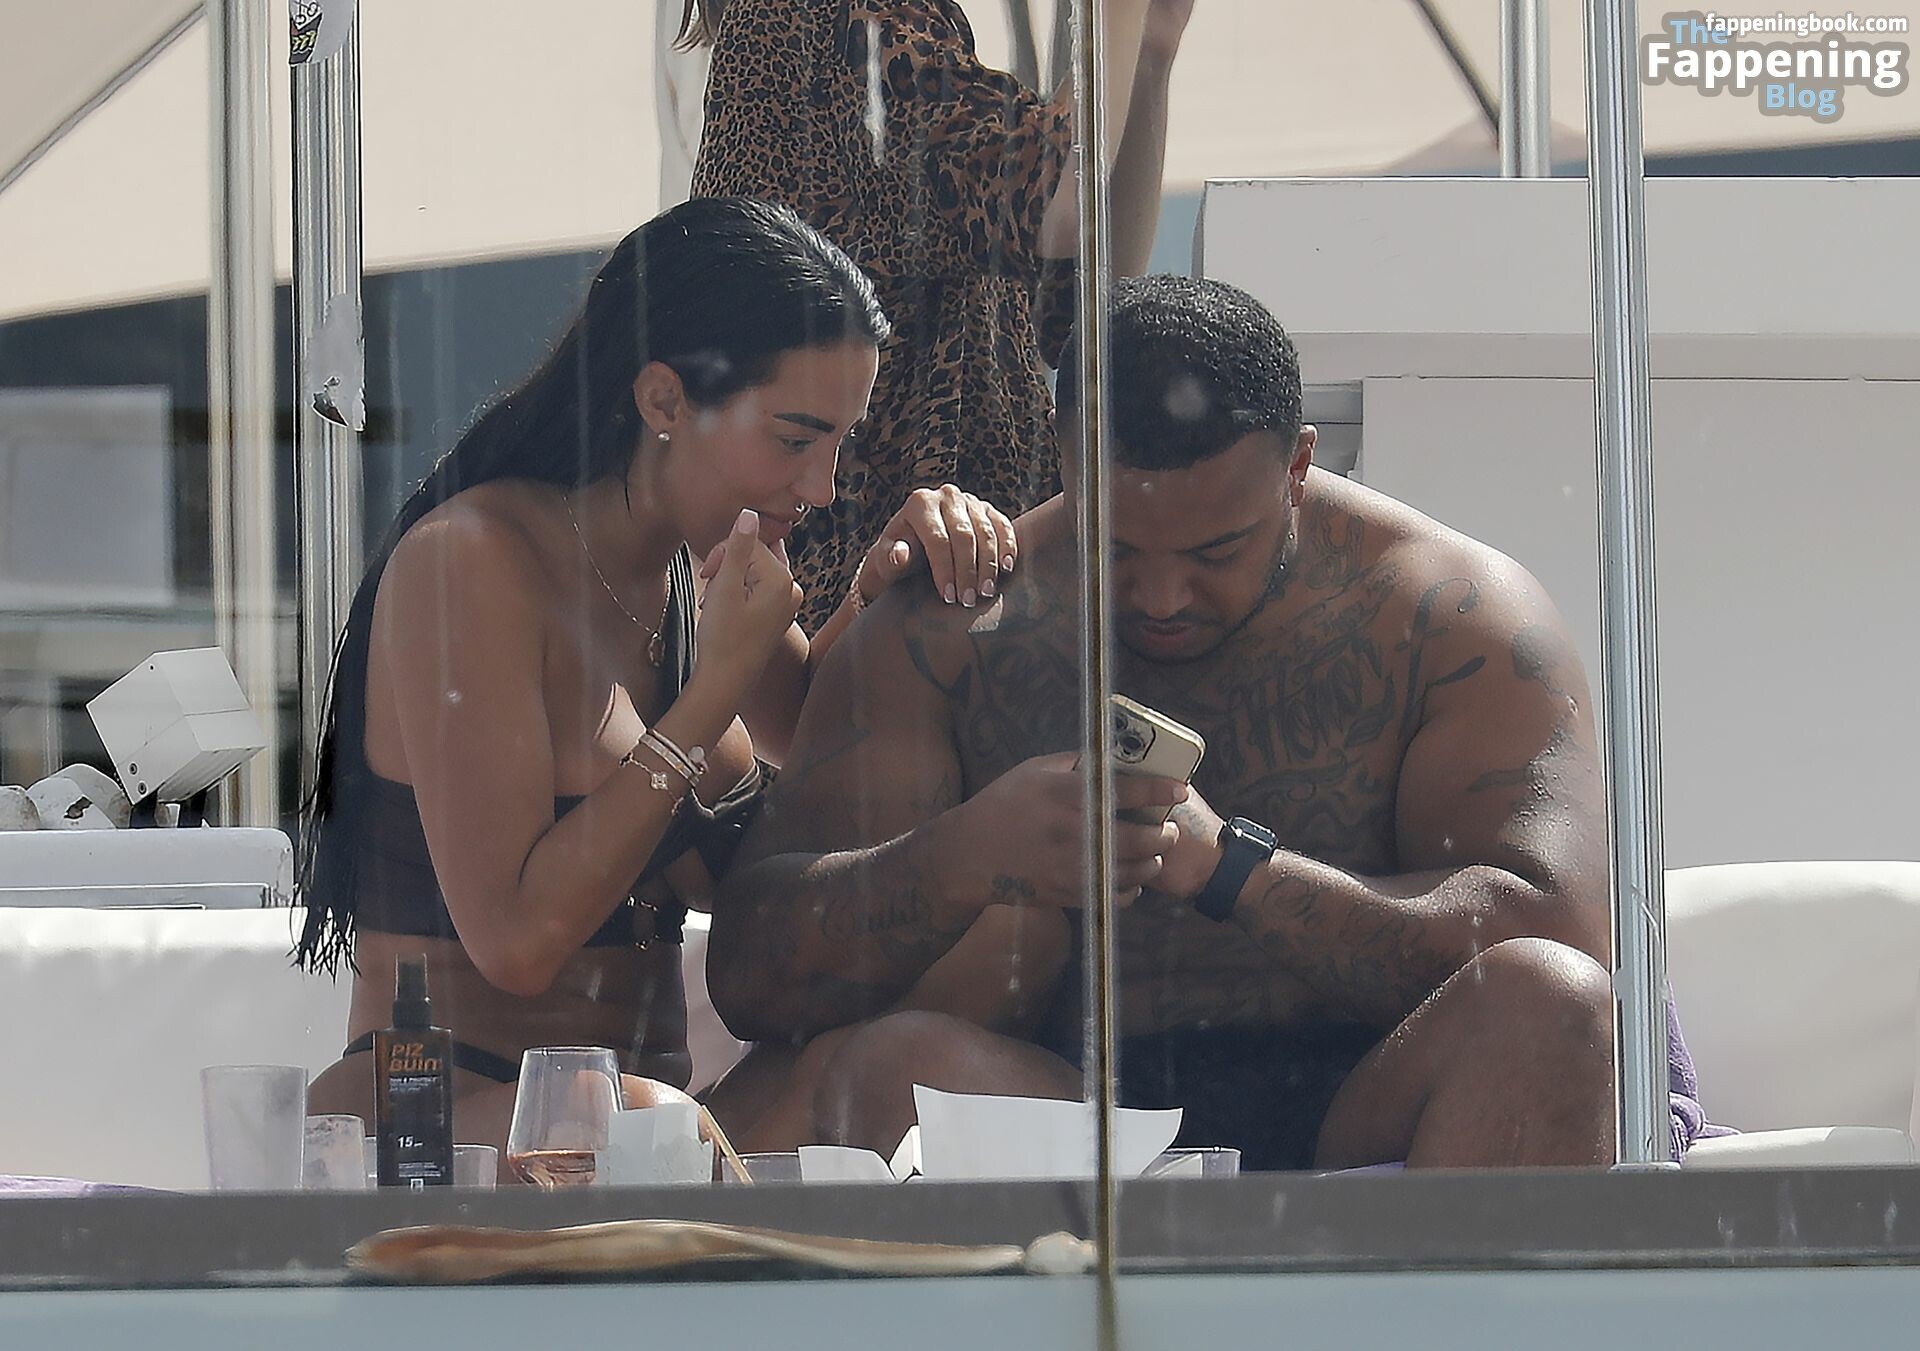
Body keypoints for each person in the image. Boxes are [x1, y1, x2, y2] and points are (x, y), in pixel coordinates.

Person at [707, 274, 1632, 1169]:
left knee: (1550, 1002)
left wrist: (1232, 868)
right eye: (1114, 546)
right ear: (1064, 462)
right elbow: (750, 977)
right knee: (888, 1065)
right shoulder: (955, 628)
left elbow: (1563, 937)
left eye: (1216, 551)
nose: (1161, 595)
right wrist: (963, 854)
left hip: (1375, 1101)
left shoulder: (1450, 617)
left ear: (1298, 468)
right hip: (1081, 1114)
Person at [296, 196, 1022, 1164]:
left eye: (840, 444)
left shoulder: (694, 567)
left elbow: (828, 756)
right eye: (794, 439)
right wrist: (712, 689)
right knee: (627, 1118)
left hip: (651, 1126)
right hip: (442, 1122)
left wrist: (883, 590)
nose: (822, 487)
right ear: (664, 402)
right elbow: (516, 940)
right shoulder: (469, 562)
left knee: (904, 1058)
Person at [684, 0, 1198, 629]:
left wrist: (1149, 51)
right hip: (887, 595)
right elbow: (1056, 204)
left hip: (906, 580)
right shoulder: (845, 19)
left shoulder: (834, 30)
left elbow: (1089, 283)